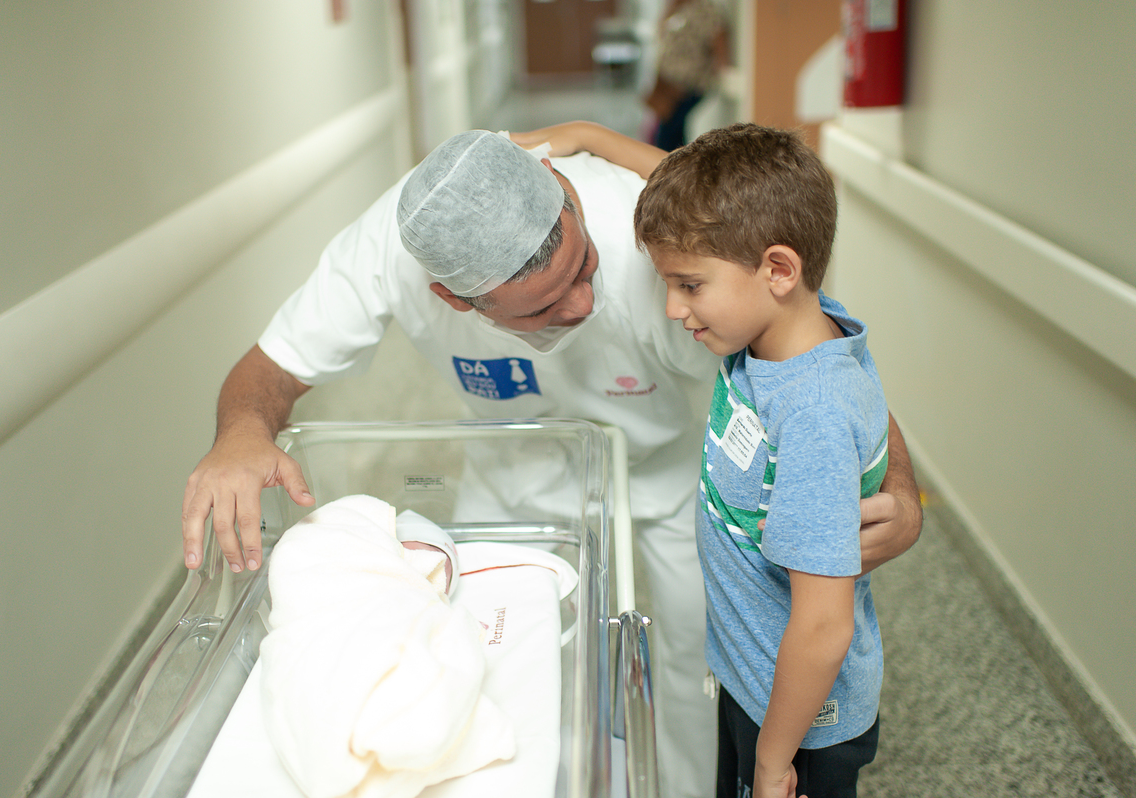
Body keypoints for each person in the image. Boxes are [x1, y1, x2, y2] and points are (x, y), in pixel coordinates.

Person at [181, 128, 922, 798]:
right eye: (541, 307)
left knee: (695, 658)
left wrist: (900, 487)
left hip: (668, 474)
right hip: (511, 471)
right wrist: (239, 435)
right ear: (455, 300)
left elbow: (816, 355)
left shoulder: (649, 240)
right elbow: (271, 367)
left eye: (584, 267)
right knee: (490, 650)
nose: (580, 303)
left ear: (568, 196)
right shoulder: (390, 254)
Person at [636, 123, 886, 798]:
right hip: (752, 675)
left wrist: (775, 761)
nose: (673, 308)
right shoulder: (779, 329)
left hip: (799, 720)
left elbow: (824, 624)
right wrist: (588, 137)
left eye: (689, 285)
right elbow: (694, 194)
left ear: (778, 270)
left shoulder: (812, 415)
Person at [645, 0, 730, 150]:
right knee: (672, 131)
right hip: (667, 83)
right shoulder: (677, 7)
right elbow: (661, 31)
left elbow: (719, 42)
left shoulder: (708, 9)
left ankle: (670, 162)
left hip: (689, 84)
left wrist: (724, 71)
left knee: (668, 133)